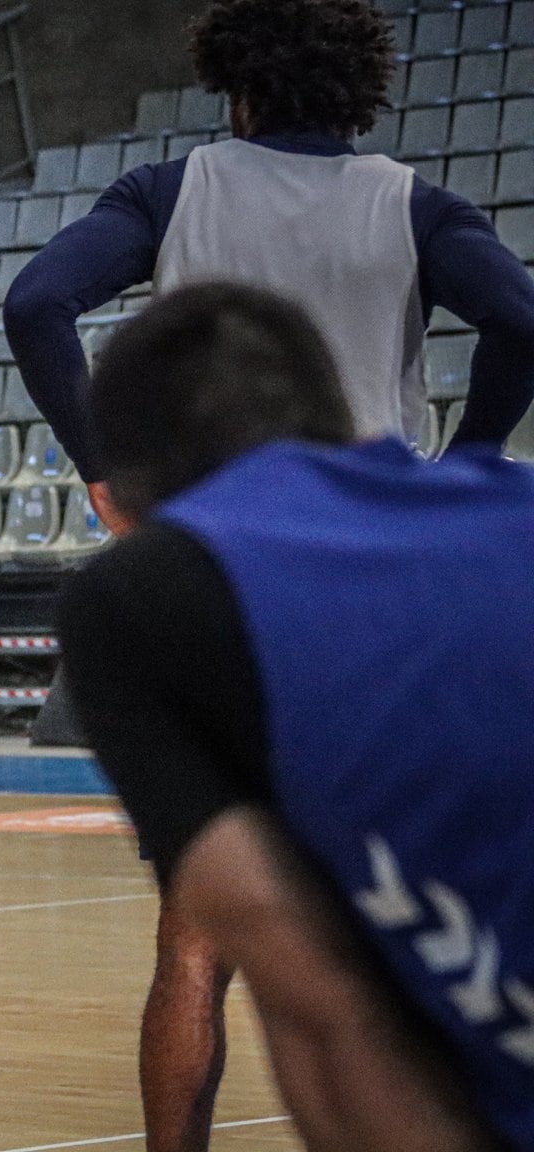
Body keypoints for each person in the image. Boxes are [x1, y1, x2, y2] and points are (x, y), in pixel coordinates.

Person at [2, 1, 534, 1146]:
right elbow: (521, 320)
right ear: (358, 91)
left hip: (213, 569)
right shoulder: (412, 204)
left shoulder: (165, 193)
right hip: (385, 579)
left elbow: (34, 302)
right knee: (400, 907)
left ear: (233, 89)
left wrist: (102, 471)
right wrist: (475, 456)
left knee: (197, 941)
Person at [58, 282, 534, 1152]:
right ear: (336, 416)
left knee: (206, 957)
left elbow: (322, 1009)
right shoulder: (514, 506)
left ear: (125, 488)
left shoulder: (141, 600)